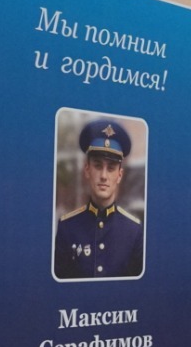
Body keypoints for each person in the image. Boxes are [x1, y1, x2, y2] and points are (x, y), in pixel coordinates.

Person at [54, 118, 143, 279]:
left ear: (119, 175)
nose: (103, 176)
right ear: (87, 170)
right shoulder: (67, 228)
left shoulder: (134, 231)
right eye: (97, 165)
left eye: (111, 168)